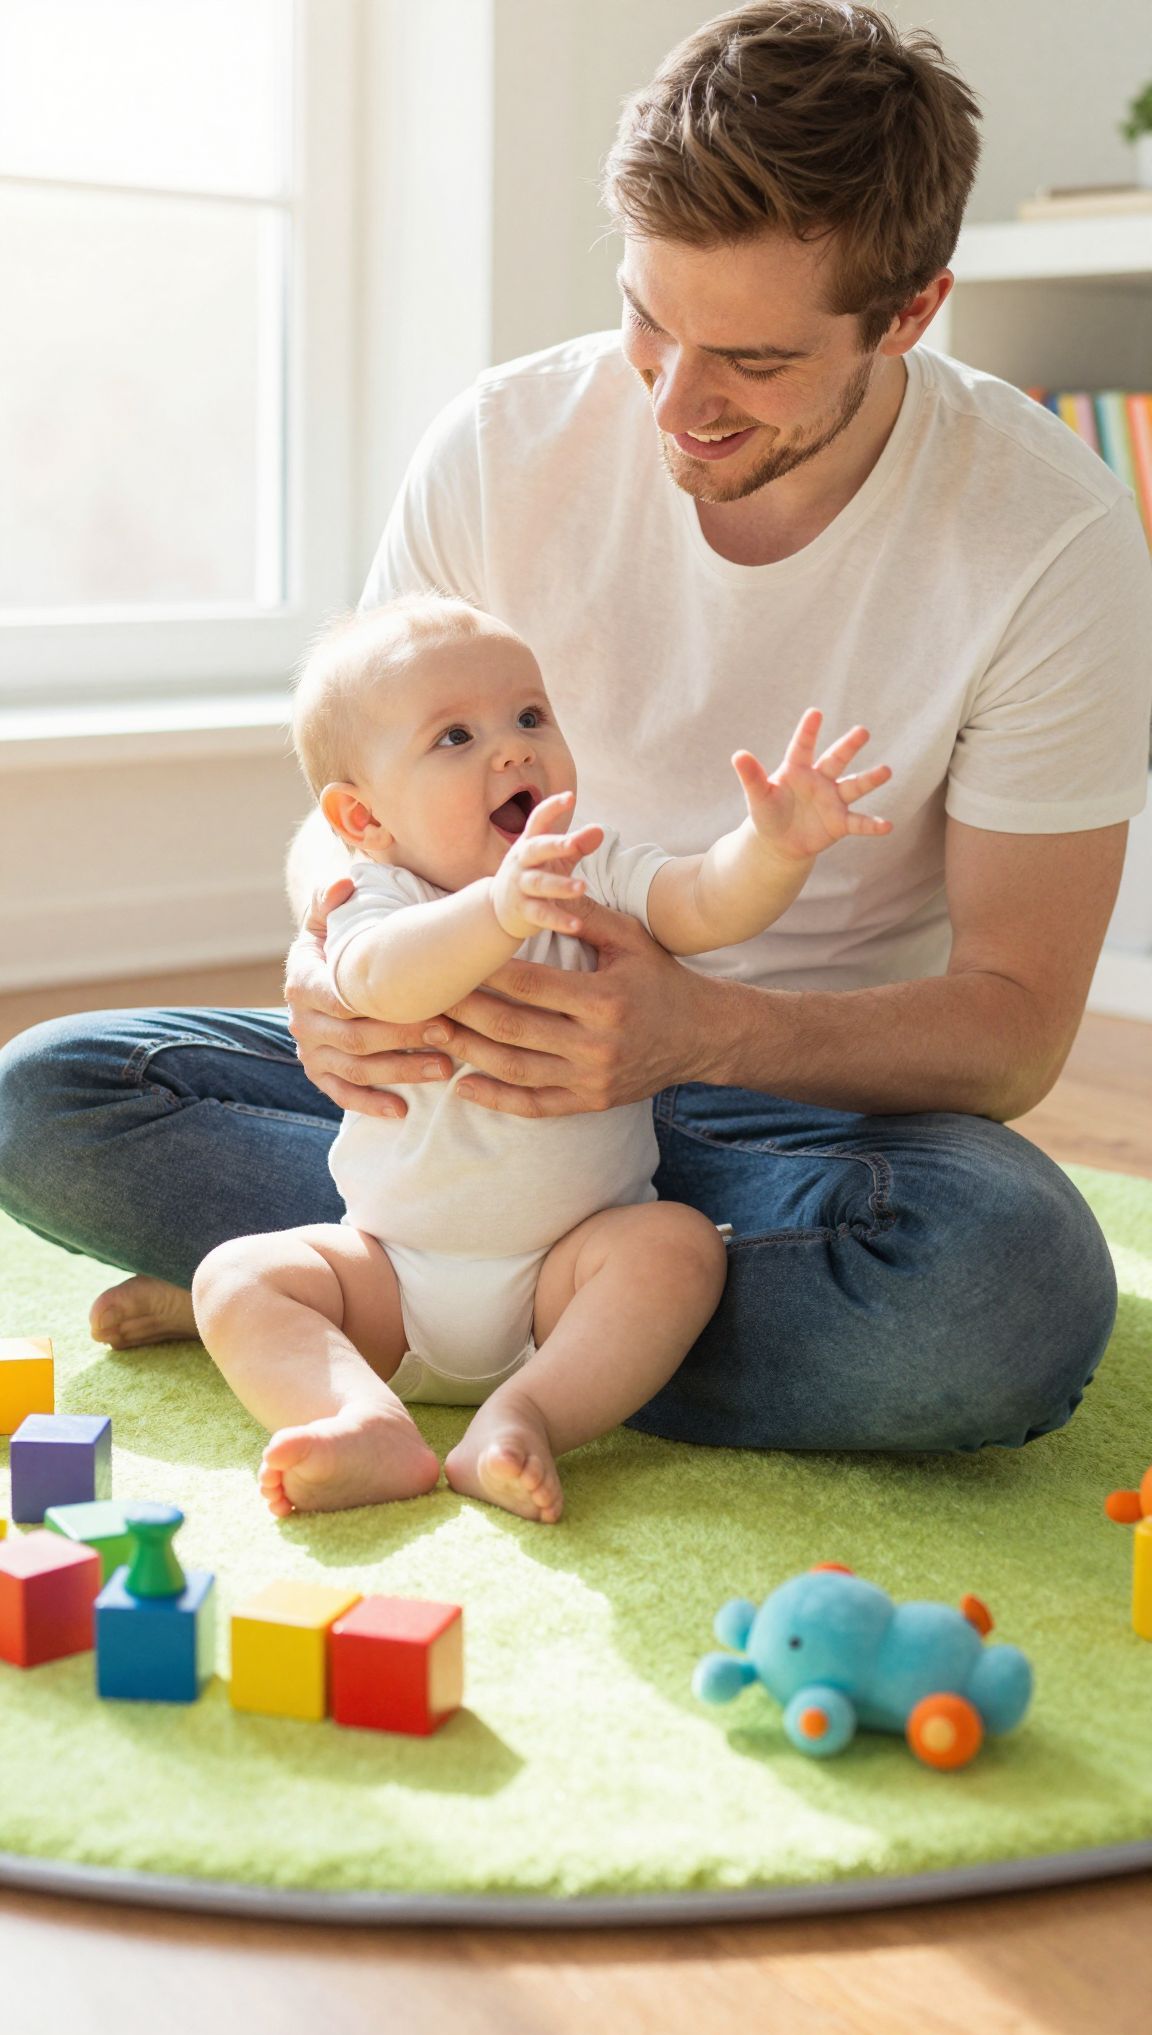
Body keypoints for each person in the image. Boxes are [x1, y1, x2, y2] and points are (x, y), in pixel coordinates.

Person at [1, 2, 1149, 1457]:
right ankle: (528, 1316)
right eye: (647, 319)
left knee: (1004, 1289)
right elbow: (347, 799)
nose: (676, 401)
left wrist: (697, 1031)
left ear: (911, 312)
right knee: (54, 1094)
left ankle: (370, 1309)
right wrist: (328, 951)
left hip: (795, 1113)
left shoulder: (1052, 539)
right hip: (464, 1075)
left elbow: (1014, 1029)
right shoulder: (503, 442)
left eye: (751, 358)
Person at [192, 594, 893, 1520]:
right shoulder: (377, 895)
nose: (514, 748)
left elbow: (697, 902)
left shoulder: (588, 870)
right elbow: (378, 981)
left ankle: (521, 1419)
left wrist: (770, 849)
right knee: (234, 1279)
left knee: (676, 1250)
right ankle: (364, 1419)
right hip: (391, 1273)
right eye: (455, 737)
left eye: (529, 717)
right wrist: (500, 910)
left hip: (569, 1277)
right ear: (362, 817)